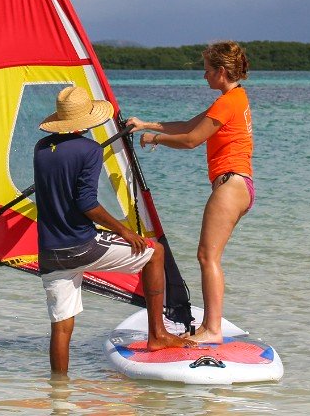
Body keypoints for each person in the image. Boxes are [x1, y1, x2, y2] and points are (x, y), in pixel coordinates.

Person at [34, 85, 194, 375]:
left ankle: (59, 394)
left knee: (61, 328)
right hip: (81, 247)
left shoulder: (42, 149)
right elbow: (86, 204)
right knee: (154, 252)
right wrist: (124, 231)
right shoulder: (90, 149)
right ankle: (157, 335)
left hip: (50, 253)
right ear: (86, 119)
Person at [127, 41, 254, 344]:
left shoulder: (227, 102)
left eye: (208, 71)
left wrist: (154, 138)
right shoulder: (234, 98)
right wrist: (145, 123)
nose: (204, 76)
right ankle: (211, 327)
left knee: (207, 257)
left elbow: (191, 140)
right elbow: (186, 124)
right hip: (239, 185)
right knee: (209, 256)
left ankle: (212, 329)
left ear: (222, 71)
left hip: (230, 185)